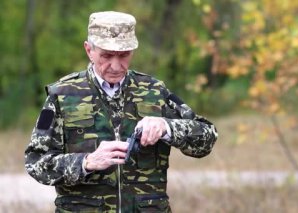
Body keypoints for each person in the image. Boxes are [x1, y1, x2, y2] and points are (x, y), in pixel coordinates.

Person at [25, 11, 218, 212]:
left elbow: (207, 136)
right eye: (106, 56)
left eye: (124, 55)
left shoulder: (155, 91)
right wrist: (86, 162)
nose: (116, 66)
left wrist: (167, 127)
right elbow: (36, 161)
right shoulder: (61, 96)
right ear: (89, 50)